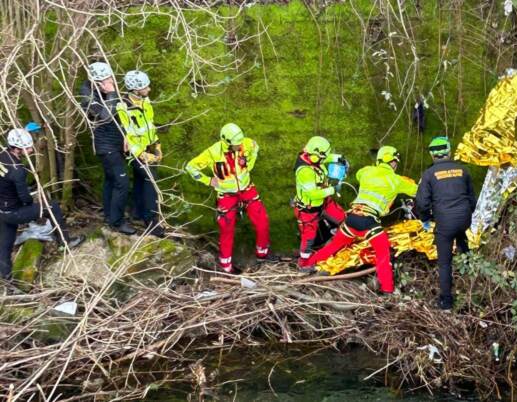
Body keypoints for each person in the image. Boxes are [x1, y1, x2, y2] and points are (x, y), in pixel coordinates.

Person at [306, 146, 418, 294]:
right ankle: (388, 290)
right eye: (395, 162)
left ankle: (307, 265)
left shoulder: (366, 171)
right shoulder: (396, 180)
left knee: (332, 246)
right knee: (383, 256)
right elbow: (416, 190)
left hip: (351, 219)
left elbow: (359, 175)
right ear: (392, 162)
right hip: (368, 222)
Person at [185, 123, 278, 273]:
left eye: (240, 142)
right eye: (236, 144)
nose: (239, 145)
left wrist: (251, 158)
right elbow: (191, 167)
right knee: (226, 228)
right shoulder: (213, 152)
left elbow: (255, 147)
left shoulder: (246, 143)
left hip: (247, 189)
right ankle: (226, 265)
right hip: (226, 195)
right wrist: (207, 180)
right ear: (226, 142)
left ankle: (263, 253)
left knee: (262, 221)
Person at [0, 129, 84, 281]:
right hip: (14, 211)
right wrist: (31, 208)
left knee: (6, 243)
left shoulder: (2, 156)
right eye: (28, 148)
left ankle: (6, 276)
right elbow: (25, 198)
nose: (31, 150)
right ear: (17, 148)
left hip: (3, 210)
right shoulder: (18, 170)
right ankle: (64, 242)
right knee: (53, 207)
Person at [415, 136, 476, 310]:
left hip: (445, 223)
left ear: (433, 155)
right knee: (461, 236)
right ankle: (472, 273)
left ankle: (446, 301)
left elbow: (422, 202)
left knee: (444, 262)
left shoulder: (428, 174)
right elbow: (472, 199)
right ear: (449, 151)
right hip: (464, 219)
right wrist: (466, 215)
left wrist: (425, 218)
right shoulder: (463, 170)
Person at [79, 61, 135, 235]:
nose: (108, 83)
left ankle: (110, 216)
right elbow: (105, 116)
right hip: (106, 146)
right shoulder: (88, 95)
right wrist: (111, 94)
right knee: (122, 183)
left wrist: (127, 135)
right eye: (103, 81)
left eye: (109, 79)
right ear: (96, 82)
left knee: (111, 181)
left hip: (117, 142)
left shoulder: (110, 88)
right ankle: (117, 222)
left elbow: (122, 114)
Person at [116, 70, 164, 237]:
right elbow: (127, 135)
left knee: (140, 182)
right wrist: (141, 154)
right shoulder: (123, 106)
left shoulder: (145, 102)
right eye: (145, 87)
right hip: (135, 153)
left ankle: (137, 212)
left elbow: (149, 126)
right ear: (136, 90)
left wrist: (157, 144)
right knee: (151, 182)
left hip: (147, 149)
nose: (149, 89)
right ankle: (151, 221)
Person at [293, 136, 347, 270]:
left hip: (324, 202)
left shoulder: (313, 156)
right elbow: (312, 194)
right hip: (308, 210)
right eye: (322, 157)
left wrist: (338, 158)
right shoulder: (305, 171)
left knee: (343, 218)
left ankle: (341, 244)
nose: (324, 160)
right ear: (316, 156)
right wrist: (332, 189)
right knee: (309, 238)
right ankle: (304, 263)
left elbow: (326, 157)